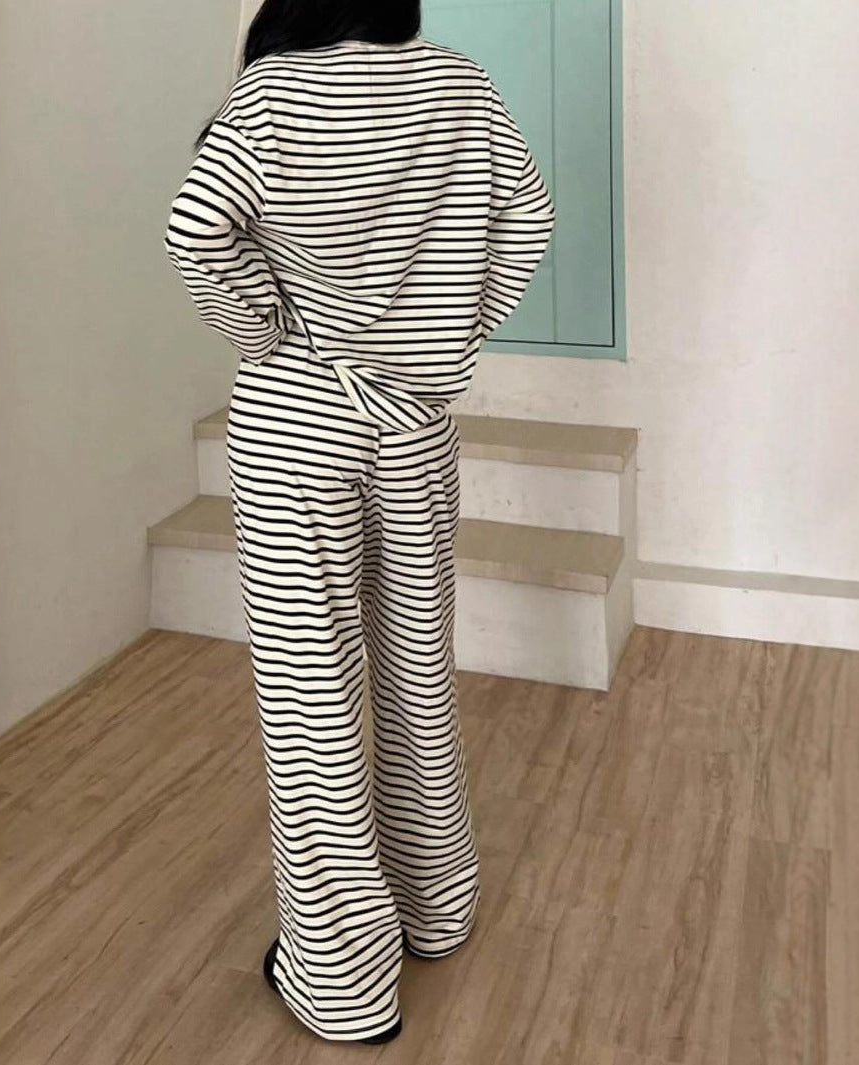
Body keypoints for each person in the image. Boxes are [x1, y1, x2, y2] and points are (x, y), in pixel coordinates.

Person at [163, 0, 555, 1045]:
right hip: (416, 424)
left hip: (295, 425)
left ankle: (341, 978)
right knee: (416, 662)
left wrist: (265, 330)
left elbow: (194, 230)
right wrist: (452, 328)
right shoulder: (462, 84)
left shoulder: (270, 93)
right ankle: (438, 906)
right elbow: (530, 219)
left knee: (312, 695)